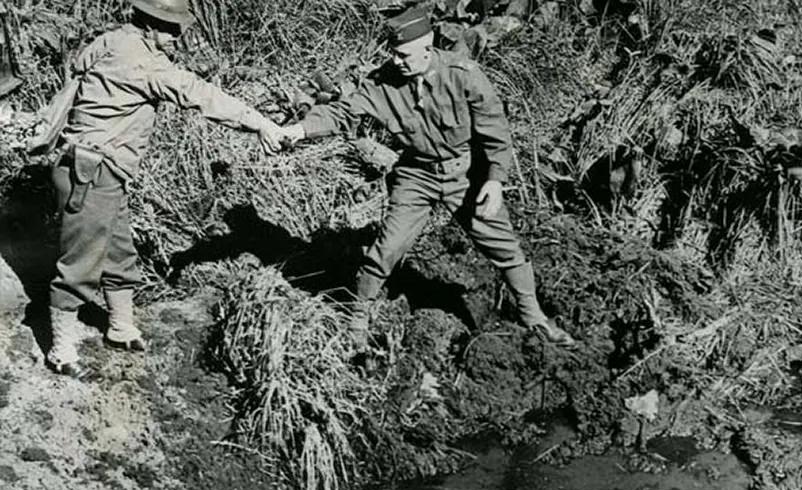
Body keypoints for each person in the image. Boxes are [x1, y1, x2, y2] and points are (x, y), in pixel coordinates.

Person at [282, 5, 575, 350]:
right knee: (388, 247)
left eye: (404, 55)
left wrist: (495, 180)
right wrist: (300, 130)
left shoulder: (462, 74)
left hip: (466, 174)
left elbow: (496, 130)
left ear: (427, 46)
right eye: (393, 53)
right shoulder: (382, 83)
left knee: (503, 247)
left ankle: (533, 317)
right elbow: (343, 112)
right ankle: (356, 319)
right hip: (416, 175)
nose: (397, 62)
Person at [43, 0, 285, 377]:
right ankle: (61, 349)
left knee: (118, 250)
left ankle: (121, 327)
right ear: (150, 25)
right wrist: (260, 123)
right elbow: (198, 93)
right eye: (170, 29)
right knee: (81, 262)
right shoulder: (143, 62)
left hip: (100, 170)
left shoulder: (112, 40)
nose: (176, 37)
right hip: (92, 171)